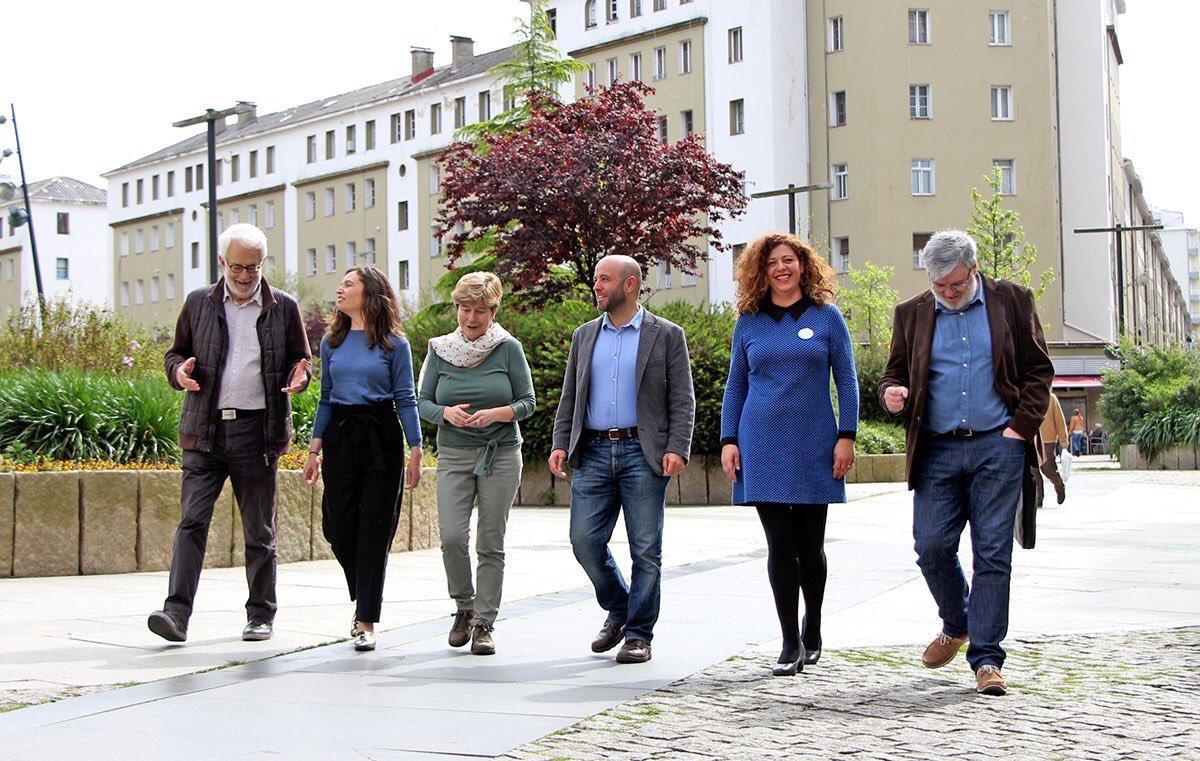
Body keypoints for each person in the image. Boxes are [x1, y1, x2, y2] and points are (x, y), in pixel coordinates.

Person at [878, 230, 1053, 696]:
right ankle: (956, 623)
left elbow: (1039, 370)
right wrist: (892, 394)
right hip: (937, 448)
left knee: (993, 553)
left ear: (974, 270)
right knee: (931, 546)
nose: (948, 294)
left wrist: (1020, 428)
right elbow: (894, 373)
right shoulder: (910, 313)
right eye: (939, 287)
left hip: (999, 443)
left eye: (956, 284)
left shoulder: (1012, 301)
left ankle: (988, 659)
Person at [149, 223, 311, 643]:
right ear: (222, 262)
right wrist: (178, 372)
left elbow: (301, 360)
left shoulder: (283, 306)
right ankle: (176, 615)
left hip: (257, 432)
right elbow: (176, 354)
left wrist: (301, 376)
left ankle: (261, 614)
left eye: (253, 269)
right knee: (192, 522)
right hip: (204, 430)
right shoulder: (198, 302)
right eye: (237, 267)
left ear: (262, 265)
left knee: (260, 530)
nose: (244, 277)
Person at [719, 232, 858, 676]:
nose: (781, 268)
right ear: (761, 272)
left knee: (810, 544)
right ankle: (788, 641)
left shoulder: (828, 317)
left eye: (788, 260)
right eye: (771, 263)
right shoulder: (749, 322)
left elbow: (848, 382)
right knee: (779, 544)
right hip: (761, 441)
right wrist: (728, 440)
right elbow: (735, 386)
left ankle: (812, 627)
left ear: (803, 265)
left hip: (816, 441)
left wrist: (847, 435)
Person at [549, 255, 696, 664]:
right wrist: (561, 441)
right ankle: (620, 606)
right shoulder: (583, 336)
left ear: (630, 285)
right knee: (584, 541)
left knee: (646, 549)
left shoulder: (666, 335)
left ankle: (638, 634)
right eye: (596, 279)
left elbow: (682, 399)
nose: (596, 286)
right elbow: (570, 397)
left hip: (642, 452)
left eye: (604, 280)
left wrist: (676, 448)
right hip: (593, 450)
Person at [303, 266, 423, 652]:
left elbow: (406, 398)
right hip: (340, 433)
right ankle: (365, 589)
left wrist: (415, 449)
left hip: (381, 436)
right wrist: (313, 450)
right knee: (336, 527)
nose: (340, 288)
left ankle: (366, 618)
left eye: (349, 283)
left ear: (369, 292)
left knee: (374, 529)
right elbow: (325, 397)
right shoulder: (331, 342)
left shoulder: (394, 344)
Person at [417, 272, 535, 656]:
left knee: (490, 542)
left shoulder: (508, 348)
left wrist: (501, 413)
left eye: (480, 311)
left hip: (500, 454)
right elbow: (422, 402)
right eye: (465, 309)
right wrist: (445, 413)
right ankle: (463, 607)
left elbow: (528, 402)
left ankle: (484, 623)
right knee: (451, 537)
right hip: (453, 454)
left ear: (493, 311)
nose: (471, 318)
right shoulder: (439, 349)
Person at [1037, 392, 1068, 506]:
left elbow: (1059, 419)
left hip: (1047, 440)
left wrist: (1063, 439)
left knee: (1048, 469)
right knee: (1033, 471)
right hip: (1031, 439)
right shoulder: (1026, 394)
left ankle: (1058, 484)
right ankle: (1038, 499)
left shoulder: (1051, 398)